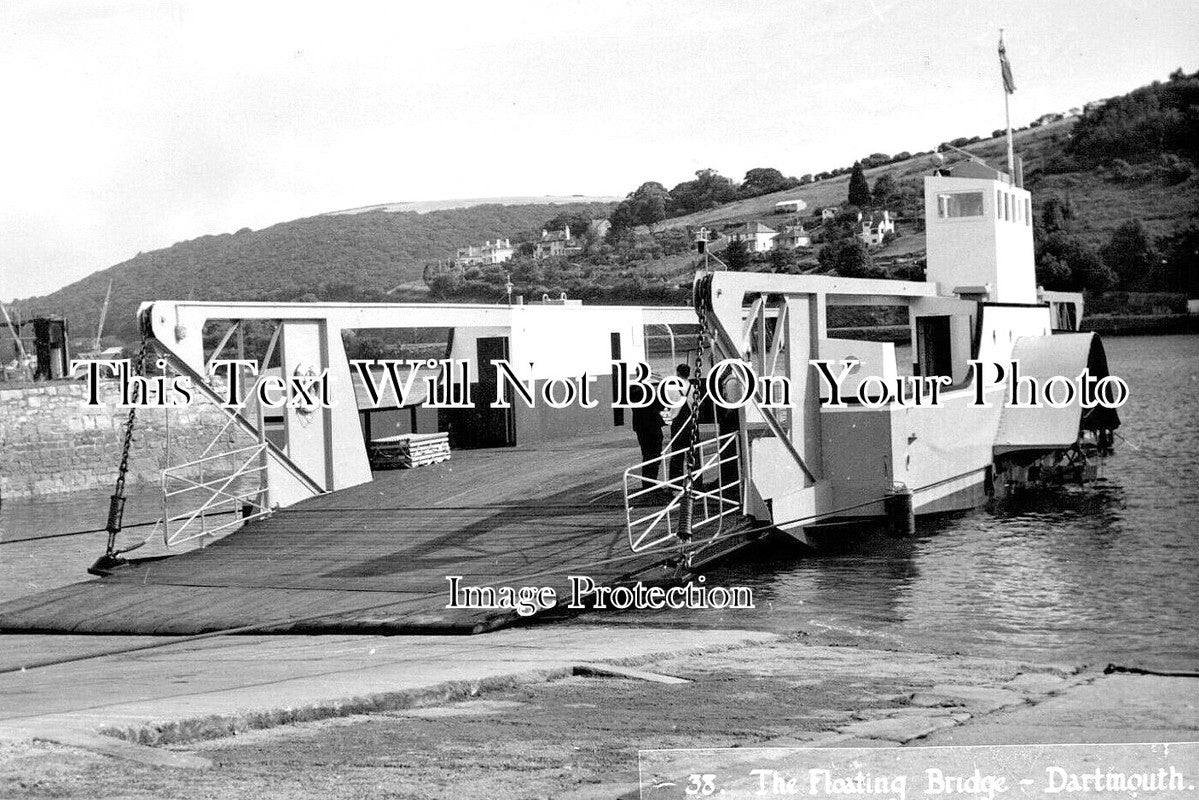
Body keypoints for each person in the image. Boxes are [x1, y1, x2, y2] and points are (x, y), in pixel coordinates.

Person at [630, 375, 666, 493]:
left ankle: (647, 484)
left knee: (646, 454)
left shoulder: (632, 389)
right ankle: (651, 483)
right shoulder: (648, 390)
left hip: (640, 426)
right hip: (652, 426)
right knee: (655, 455)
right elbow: (659, 406)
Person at [668, 363, 696, 481]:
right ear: (688, 374)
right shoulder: (694, 388)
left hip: (677, 423)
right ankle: (696, 481)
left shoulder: (671, 389)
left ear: (678, 373)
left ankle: (676, 483)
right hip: (691, 423)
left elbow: (665, 407)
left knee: (676, 456)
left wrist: (668, 421)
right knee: (693, 454)